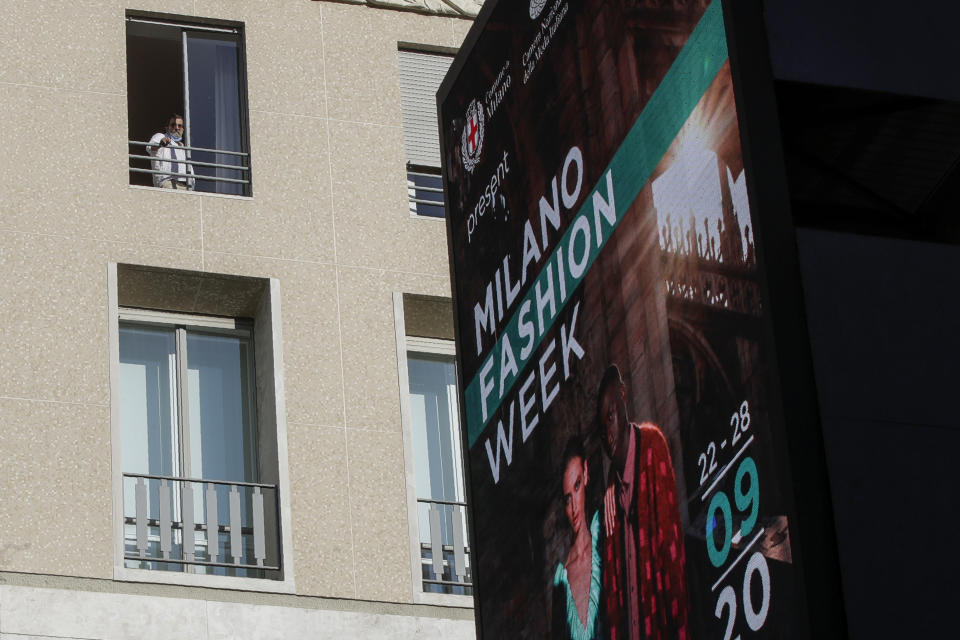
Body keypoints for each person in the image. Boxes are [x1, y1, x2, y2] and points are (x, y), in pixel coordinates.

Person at [597, 365, 689, 640]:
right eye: (602, 431)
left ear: (622, 396)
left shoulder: (651, 445)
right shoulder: (611, 495)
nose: (609, 436)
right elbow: (613, 601)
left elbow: (672, 554)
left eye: (610, 417)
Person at [552, 437, 605, 640]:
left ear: (586, 472)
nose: (574, 508)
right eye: (567, 499)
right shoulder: (561, 583)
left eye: (577, 486)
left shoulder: (606, 540)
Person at [146, 115, 195, 190]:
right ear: (167, 128)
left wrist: (192, 183)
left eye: (179, 126)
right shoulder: (160, 136)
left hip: (187, 185)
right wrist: (161, 144)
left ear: (183, 129)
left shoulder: (182, 147)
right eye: (173, 125)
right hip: (169, 182)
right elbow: (151, 148)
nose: (176, 128)